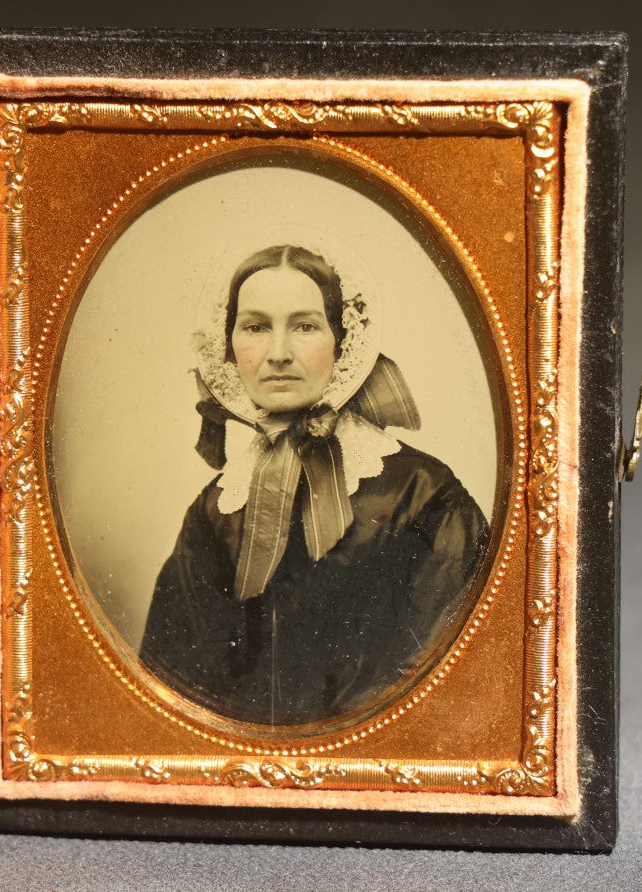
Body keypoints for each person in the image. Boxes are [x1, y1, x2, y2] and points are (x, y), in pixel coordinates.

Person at [139, 245, 489, 727]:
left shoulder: (423, 494)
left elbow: (454, 681)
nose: (278, 354)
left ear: (342, 342)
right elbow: (172, 686)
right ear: (229, 346)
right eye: (256, 326)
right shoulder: (216, 510)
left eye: (304, 326)